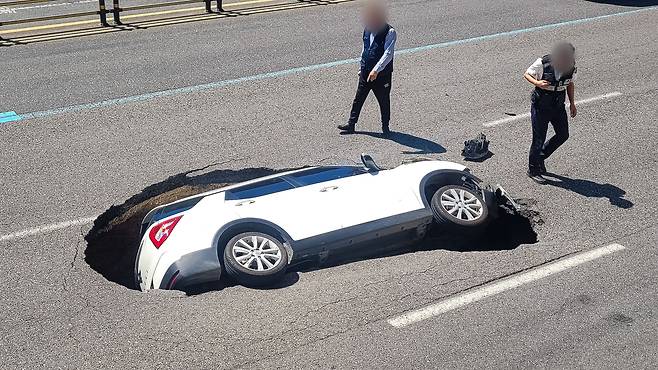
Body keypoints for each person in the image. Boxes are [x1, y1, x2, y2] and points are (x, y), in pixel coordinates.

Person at [338, 0, 397, 136]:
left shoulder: (390, 32)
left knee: (384, 101)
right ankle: (351, 124)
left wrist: (376, 70)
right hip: (366, 72)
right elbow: (365, 49)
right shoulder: (368, 29)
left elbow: (388, 54)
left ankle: (385, 128)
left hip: (381, 76)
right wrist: (362, 67)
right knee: (358, 99)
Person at [524, 42, 578, 184]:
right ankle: (533, 170)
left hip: (558, 105)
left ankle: (540, 157)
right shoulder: (543, 63)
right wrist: (537, 83)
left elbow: (570, 84)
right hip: (541, 105)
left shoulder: (571, 66)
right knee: (538, 139)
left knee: (563, 135)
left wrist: (572, 103)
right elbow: (527, 74)